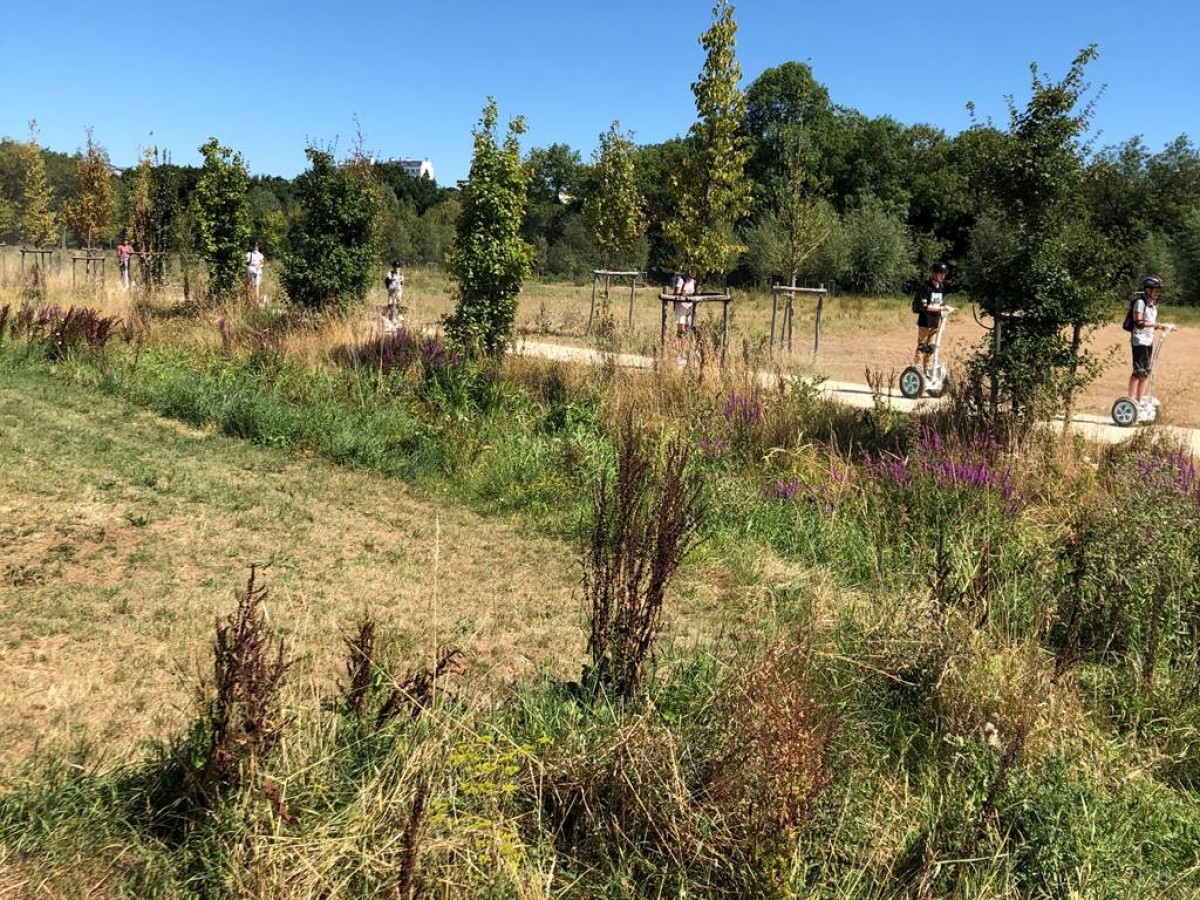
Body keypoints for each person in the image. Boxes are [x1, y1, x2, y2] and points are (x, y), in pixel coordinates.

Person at [1127, 275, 1172, 407]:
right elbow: (1140, 323)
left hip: (1148, 341)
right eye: (1155, 290)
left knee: (1146, 372)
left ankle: (1139, 402)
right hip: (1139, 341)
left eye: (1158, 290)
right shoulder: (1140, 303)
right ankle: (1131, 400)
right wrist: (1158, 325)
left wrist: (1164, 326)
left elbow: (1150, 323)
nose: (1158, 292)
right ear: (1147, 290)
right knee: (1138, 371)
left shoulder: (1152, 305)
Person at [912, 261, 949, 374]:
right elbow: (925, 307)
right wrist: (940, 309)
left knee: (931, 348)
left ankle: (926, 368)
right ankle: (917, 367)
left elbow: (939, 303)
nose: (943, 276)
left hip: (935, 322)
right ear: (934, 274)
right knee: (922, 346)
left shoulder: (941, 287)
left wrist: (944, 308)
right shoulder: (926, 287)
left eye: (944, 274)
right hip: (925, 322)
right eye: (940, 273)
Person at [673, 271, 697, 339]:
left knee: (688, 328)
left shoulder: (693, 281)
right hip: (681, 306)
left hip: (689, 307)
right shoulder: (681, 280)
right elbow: (677, 293)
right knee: (681, 329)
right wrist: (685, 296)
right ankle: (679, 344)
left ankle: (686, 345)